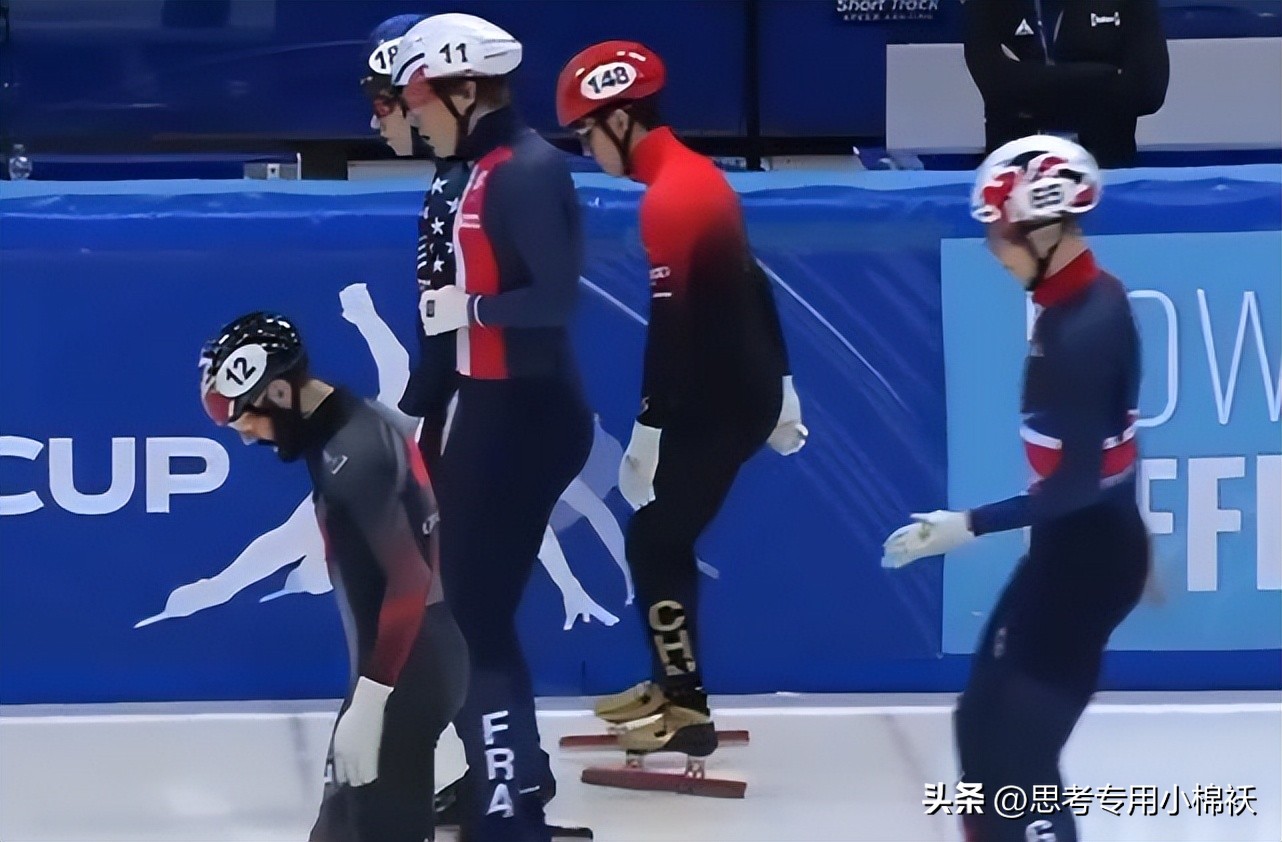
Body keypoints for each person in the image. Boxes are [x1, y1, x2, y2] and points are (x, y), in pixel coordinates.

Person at [881, 135, 1150, 842]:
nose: (993, 249)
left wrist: (967, 524)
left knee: (1024, 761)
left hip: (1088, 563)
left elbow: (1079, 485)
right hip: (1070, 552)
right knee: (979, 724)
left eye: (1000, 232)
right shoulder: (1070, 308)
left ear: (1048, 226)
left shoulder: (1085, 329)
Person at [554, 41, 806, 758]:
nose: (585, 147)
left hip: (719, 400)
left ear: (622, 120)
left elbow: (670, 330)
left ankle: (687, 708)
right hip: (738, 388)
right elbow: (754, 284)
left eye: (586, 133)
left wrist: (647, 430)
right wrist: (783, 384)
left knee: (654, 541)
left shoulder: (672, 198)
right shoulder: (698, 179)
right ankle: (674, 681)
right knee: (662, 538)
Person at [391, 14, 593, 842]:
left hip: (527, 416)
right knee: (473, 614)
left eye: (417, 98)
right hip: (493, 410)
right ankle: (513, 788)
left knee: (475, 617)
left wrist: (467, 308)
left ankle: (509, 812)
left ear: (466, 90)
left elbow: (556, 299)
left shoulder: (527, 172)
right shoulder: (475, 169)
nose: (412, 114)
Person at [198, 312, 468, 842]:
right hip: (401, 667)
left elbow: (410, 579)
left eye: (245, 417)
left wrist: (374, 702)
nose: (247, 436)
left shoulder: (354, 454)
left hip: (404, 674)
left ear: (278, 390)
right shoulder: (347, 428)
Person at [963, 0, 1169, 168]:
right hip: (1012, 177)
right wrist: (1104, 76)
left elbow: (1149, 91)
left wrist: (1027, 89)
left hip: (1107, 174)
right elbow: (995, 84)